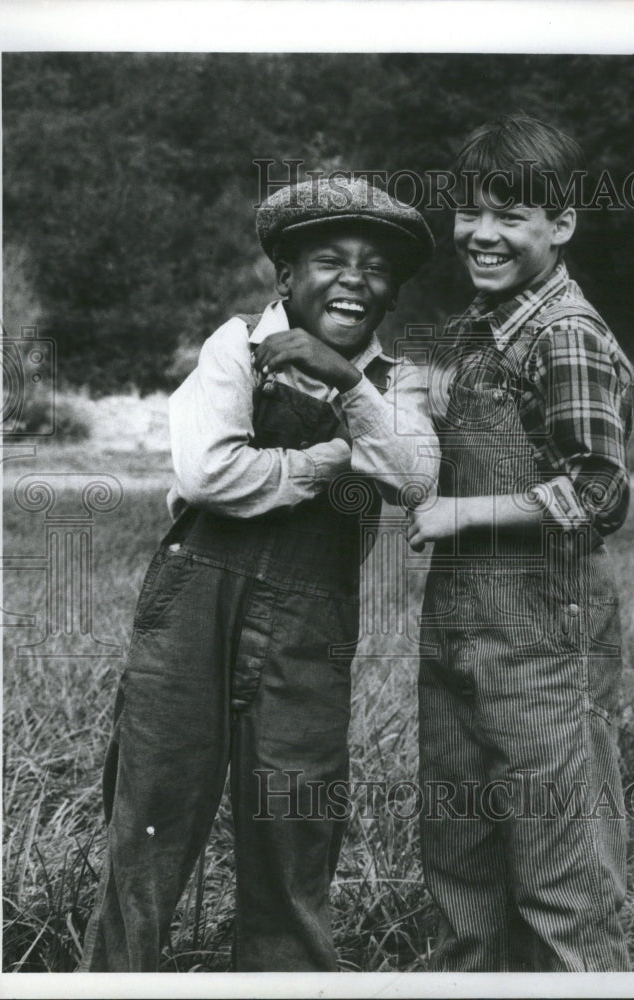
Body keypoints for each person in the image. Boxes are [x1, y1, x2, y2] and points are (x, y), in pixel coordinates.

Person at [80, 176, 438, 972]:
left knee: (294, 823)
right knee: (152, 820)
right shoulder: (232, 345)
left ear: (391, 290)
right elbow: (211, 477)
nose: (353, 278)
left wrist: (345, 385)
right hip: (195, 600)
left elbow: (414, 479)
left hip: (311, 621)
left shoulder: (396, 381)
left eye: (375, 266)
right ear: (285, 275)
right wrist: (329, 460)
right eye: (328, 259)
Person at [407, 114, 634, 971]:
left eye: (510, 216)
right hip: (461, 629)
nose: (482, 233)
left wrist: (462, 515)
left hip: (544, 638)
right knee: (462, 870)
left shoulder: (564, 334)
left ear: (561, 225)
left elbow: (600, 490)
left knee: (560, 880)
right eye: (469, 213)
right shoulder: (478, 333)